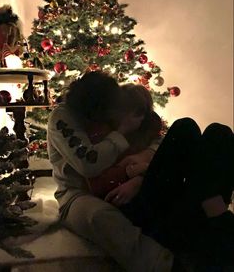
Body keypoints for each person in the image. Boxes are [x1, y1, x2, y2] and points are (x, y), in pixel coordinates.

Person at [47, 71, 174, 272]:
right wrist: (121, 132)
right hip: (75, 195)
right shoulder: (62, 117)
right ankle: (165, 265)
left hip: (123, 180)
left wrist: (145, 156)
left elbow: (157, 136)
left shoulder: (113, 112)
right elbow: (88, 164)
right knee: (99, 216)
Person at [106, 116, 234, 268]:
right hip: (200, 217)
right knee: (206, 130)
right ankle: (210, 210)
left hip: (195, 231)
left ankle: (209, 213)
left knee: (208, 132)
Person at [87, 83, 163, 199]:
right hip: (121, 194)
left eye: (140, 113)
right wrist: (130, 171)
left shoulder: (148, 130)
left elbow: (164, 153)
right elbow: (95, 183)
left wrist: (140, 177)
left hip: (151, 184)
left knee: (184, 126)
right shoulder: (102, 132)